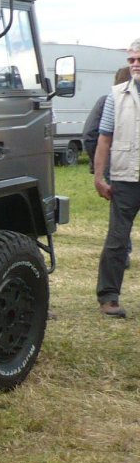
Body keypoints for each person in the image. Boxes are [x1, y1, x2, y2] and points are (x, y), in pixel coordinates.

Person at [93, 40, 140, 318]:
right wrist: (99, 177)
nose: (135, 64)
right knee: (117, 240)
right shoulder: (115, 96)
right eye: (132, 59)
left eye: (139, 59)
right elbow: (104, 138)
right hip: (124, 179)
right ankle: (109, 298)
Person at [83, 65, 133, 172]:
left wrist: (99, 163)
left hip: (114, 164)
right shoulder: (109, 101)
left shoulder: (106, 101)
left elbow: (89, 134)